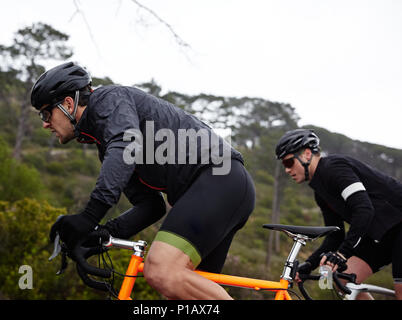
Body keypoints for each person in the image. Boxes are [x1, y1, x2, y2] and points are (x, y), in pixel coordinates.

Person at [30, 62, 255, 299]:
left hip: (218, 181)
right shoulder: (108, 141)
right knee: (181, 294)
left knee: (161, 270)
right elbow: (151, 205)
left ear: (67, 103)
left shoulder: (109, 99)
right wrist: (103, 232)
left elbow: (126, 143)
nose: (45, 124)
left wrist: (89, 216)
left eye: (46, 113)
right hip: (223, 188)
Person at [275, 128, 402, 299]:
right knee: (342, 280)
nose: (287, 170)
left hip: (398, 225)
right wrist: (309, 264)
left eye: (289, 163)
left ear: (306, 154)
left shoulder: (334, 168)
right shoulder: (319, 191)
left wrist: (341, 254)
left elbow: (364, 209)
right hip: (382, 234)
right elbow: (336, 236)